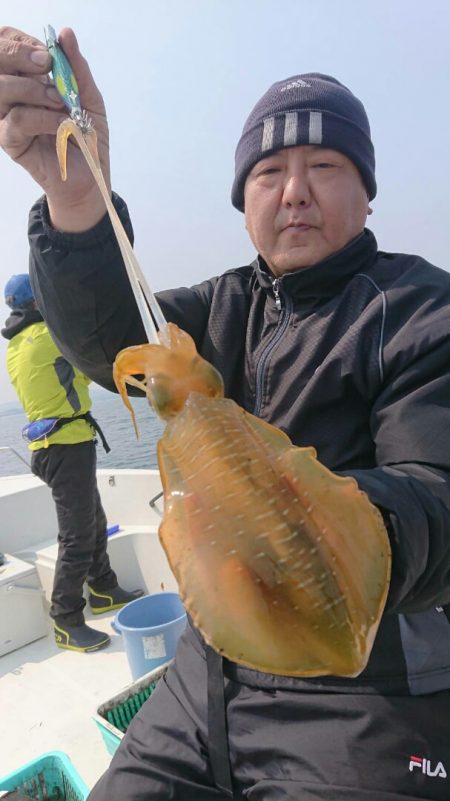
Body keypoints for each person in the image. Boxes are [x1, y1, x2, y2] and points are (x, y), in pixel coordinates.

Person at [1, 25, 450, 801]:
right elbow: (112, 341)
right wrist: (77, 198)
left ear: (367, 191)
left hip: (368, 685)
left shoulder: (419, 311)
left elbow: (435, 492)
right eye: (270, 171)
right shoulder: (221, 305)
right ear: (244, 200)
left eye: (326, 166)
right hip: (206, 665)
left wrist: (298, 516)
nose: (295, 190)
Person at [1, 272, 143, 653]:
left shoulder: (17, 344)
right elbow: (92, 355)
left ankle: (104, 588)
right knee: (78, 534)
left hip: (59, 446)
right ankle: (66, 620)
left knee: (92, 521)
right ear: (39, 301)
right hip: (65, 447)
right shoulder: (49, 337)